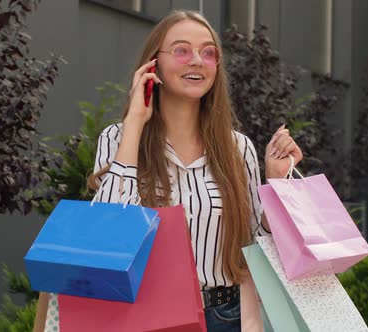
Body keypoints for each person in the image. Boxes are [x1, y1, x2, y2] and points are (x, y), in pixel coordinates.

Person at [34, 9, 303, 332]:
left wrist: (276, 184)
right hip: (148, 317)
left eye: (208, 52)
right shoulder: (118, 137)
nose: (197, 61)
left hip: (227, 316)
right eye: (181, 50)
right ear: (153, 64)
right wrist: (135, 121)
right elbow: (107, 230)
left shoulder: (238, 148)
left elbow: (255, 245)